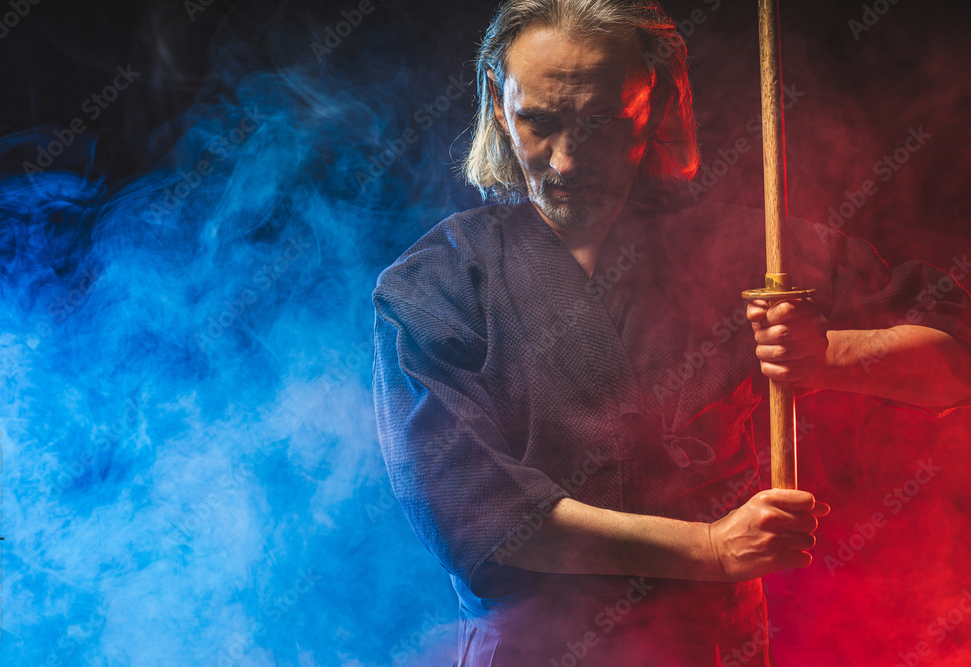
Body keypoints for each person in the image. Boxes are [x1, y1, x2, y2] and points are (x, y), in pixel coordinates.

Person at [371, 1, 971, 664]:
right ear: (495, 94)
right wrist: (709, 549)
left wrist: (828, 355)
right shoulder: (436, 284)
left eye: (600, 123)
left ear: (654, 102)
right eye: (538, 120)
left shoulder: (748, 249)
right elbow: (471, 513)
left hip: (710, 649)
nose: (566, 160)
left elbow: (953, 358)